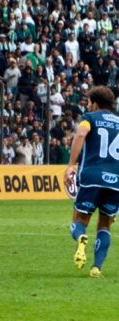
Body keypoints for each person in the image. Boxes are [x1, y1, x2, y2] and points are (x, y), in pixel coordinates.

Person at [65, 86, 119, 278]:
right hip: (116, 181)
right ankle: (96, 268)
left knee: (79, 220)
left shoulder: (90, 117)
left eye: (89, 102)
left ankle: (81, 237)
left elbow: (80, 134)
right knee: (105, 224)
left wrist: (71, 164)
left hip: (92, 176)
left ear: (95, 103)